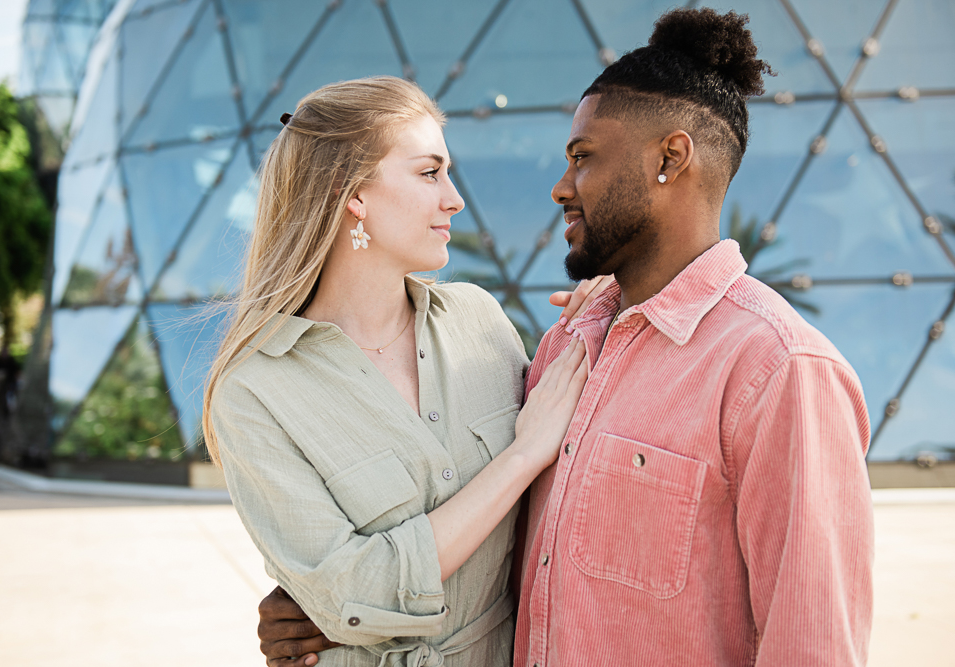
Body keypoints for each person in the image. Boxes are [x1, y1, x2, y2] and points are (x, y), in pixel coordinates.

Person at [258, 8, 875, 667]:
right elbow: (491, 559)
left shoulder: (779, 369)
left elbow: (814, 646)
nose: (560, 187)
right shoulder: (563, 350)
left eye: (583, 158)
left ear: (671, 158)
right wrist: (335, 613)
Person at [204, 76, 595, 667]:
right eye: (428, 172)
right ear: (351, 193)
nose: (455, 199)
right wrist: (520, 457)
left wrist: (608, 313)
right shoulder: (254, 393)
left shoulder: (481, 322)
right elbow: (353, 594)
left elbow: (568, 498)